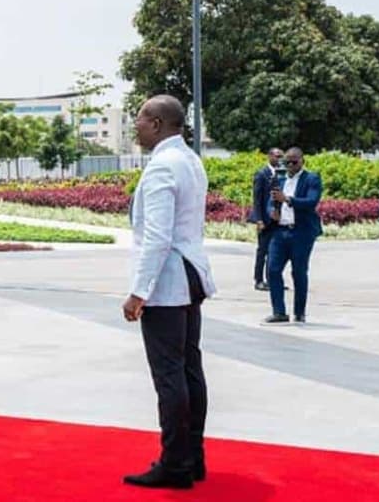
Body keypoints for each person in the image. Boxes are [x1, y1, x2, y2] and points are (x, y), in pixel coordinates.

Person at [121, 95, 217, 490]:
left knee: (169, 375)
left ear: (157, 123)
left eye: (140, 120)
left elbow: (157, 237)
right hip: (191, 275)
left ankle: (175, 464)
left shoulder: (162, 165)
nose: (136, 126)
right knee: (190, 368)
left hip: (168, 282)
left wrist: (138, 292)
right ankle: (193, 457)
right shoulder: (191, 160)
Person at [264, 147, 323, 324]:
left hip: (301, 232)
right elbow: (270, 202)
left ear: (302, 161)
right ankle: (279, 312)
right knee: (272, 270)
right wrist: (271, 211)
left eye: (294, 161)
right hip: (280, 231)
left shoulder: (311, 179)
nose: (290, 165)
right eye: (287, 161)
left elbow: (311, 201)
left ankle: (299, 312)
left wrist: (288, 200)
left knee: (298, 272)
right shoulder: (280, 179)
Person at [249, 148, 284, 291]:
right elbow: (257, 199)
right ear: (269, 156)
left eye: (281, 156)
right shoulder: (262, 174)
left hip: (277, 219)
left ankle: (272, 280)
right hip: (264, 219)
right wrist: (259, 220)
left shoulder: (282, 174)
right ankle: (258, 280)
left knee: (274, 252)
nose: (279, 159)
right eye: (277, 156)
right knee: (262, 251)